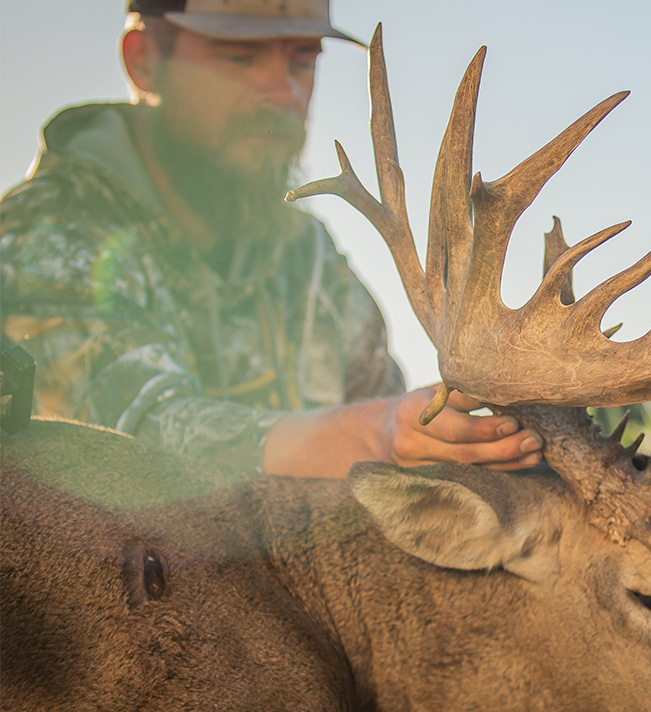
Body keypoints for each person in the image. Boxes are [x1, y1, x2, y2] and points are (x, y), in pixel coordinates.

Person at [0, 0, 543, 479]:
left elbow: (385, 401)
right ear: (143, 59)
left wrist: (462, 432)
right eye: (239, 56)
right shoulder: (43, 233)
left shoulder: (307, 258)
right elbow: (136, 434)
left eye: (302, 60)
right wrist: (373, 436)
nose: (284, 92)